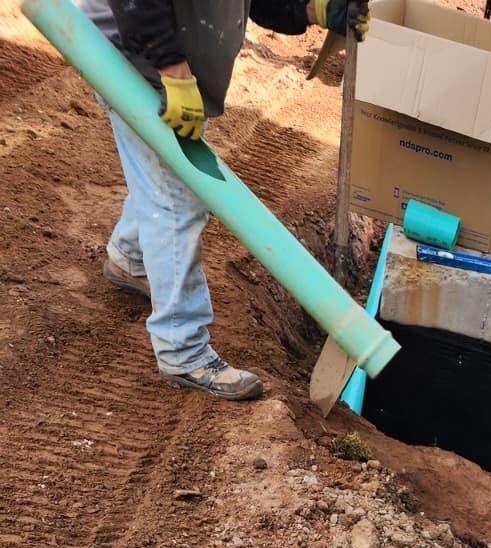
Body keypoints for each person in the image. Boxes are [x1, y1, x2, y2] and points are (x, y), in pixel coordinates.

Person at [81, 0, 369, 400]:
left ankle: (131, 257)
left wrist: (314, 10)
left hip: (162, 59)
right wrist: (171, 69)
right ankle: (183, 349)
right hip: (132, 58)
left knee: (163, 176)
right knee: (178, 200)